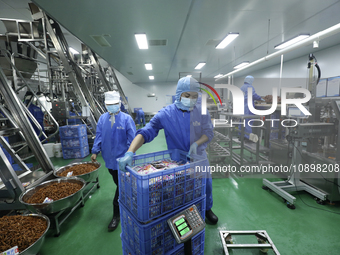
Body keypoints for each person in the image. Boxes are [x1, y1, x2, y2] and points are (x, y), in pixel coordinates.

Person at [118, 76, 218, 224]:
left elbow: (208, 132)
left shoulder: (202, 112)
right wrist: (130, 152)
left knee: (205, 185)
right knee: (180, 188)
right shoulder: (166, 114)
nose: (191, 99)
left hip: (199, 157)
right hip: (177, 162)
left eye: (195, 96)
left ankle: (207, 208)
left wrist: (197, 143)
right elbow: (146, 132)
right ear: (179, 94)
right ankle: (182, 211)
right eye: (187, 95)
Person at [91, 91, 136, 232]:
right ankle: (128, 200)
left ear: (119, 103)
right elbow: (98, 136)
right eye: (109, 104)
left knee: (121, 186)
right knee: (119, 183)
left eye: (114, 104)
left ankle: (116, 215)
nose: (112, 107)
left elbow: (133, 140)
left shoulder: (127, 119)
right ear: (105, 105)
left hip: (123, 161)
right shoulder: (102, 119)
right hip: (109, 160)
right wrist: (95, 150)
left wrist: (129, 156)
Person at [239, 75, 265, 140]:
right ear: (250, 81)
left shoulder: (242, 87)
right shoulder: (250, 87)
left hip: (241, 107)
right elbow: (253, 95)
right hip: (247, 107)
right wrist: (261, 98)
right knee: (248, 122)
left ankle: (241, 135)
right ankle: (247, 137)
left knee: (242, 122)